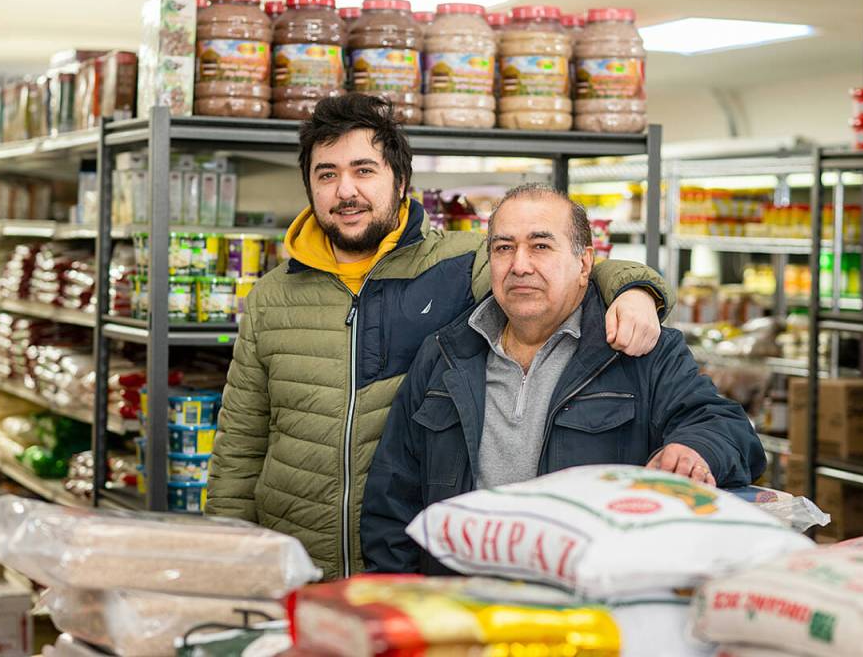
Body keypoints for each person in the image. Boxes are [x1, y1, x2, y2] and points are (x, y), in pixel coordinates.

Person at [206, 95, 674, 580]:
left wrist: (634, 288)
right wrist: (228, 560)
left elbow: (557, 266)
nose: (345, 191)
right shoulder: (273, 295)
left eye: (364, 170)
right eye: (327, 174)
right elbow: (239, 445)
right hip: (294, 563)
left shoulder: (462, 265)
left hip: (403, 559)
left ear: (401, 182)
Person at [361, 183, 765, 574]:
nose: (520, 265)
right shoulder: (445, 354)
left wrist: (695, 449)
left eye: (541, 246)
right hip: (463, 610)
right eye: (504, 248)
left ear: (585, 263)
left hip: (587, 610)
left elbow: (726, 427)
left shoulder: (637, 350)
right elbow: (393, 496)